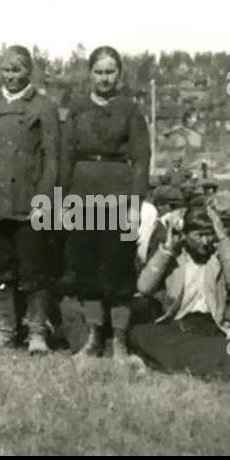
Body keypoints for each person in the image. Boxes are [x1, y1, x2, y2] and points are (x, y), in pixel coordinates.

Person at [59, 46, 150, 360]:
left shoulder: (130, 109)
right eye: (98, 72)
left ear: (120, 74)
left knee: (119, 268)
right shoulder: (77, 107)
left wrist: (136, 206)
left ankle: (120, 341)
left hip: (119, 196)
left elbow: (141, 160)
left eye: (110, 72)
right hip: (82, 194)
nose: (104, 78)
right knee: (86, 266)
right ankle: (95, 336)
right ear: (89, 74)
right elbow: (65, 155)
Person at [0, 46, 59, 352]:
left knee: (33, 270)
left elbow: (52, 160)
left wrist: (43, 201)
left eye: (17, 70)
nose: (11, 76)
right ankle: (5, 329)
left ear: (29, 71)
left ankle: (36, 333)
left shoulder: (43, 107)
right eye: (6, 70)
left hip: (28, 201)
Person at [130, 203, 230, 377]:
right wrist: (167, 250)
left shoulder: (220, 256)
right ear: (185, 235)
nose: (206, 241)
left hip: (215, 328)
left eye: (209, 235)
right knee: (139, 334)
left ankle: (185, 365)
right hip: (179, 326)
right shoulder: (175, 257)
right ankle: (201, 365)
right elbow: (144, 288)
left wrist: (222, 237)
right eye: (199, 235)